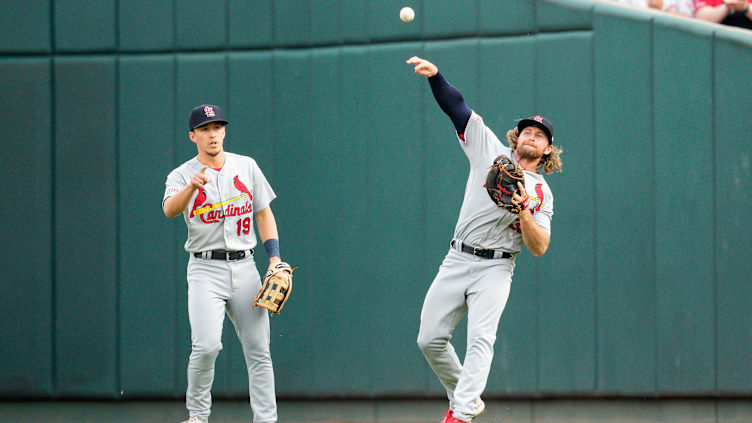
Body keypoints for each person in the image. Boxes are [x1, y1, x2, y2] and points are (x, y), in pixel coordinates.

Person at [406, 57, 562, 423]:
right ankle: (468, 398)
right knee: (429, 340)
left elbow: (539, 248)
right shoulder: (489, 150)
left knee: (481, 339)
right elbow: (458, 109)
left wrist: (524, 210)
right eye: (526, 131)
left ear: (547, 150)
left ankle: (460, 413)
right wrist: (437, 78)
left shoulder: (542, 193)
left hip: (496, 266)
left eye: (539, 135)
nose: (531, 135)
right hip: (458, 257)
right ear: (516, 136)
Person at [163, 104, 282, 423]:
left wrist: (275, 259)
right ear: (193, 136)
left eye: (217, 127)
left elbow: (263, 212)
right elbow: (169, 210)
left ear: (224, 131)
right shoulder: (181, 175)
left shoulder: (247, 166)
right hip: (204, 269)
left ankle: (266, 421)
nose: (212, 133)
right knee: (206, 347)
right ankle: (198, 417)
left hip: (246, 266)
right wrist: (191, 187)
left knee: (259, 350)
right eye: (204, 129)